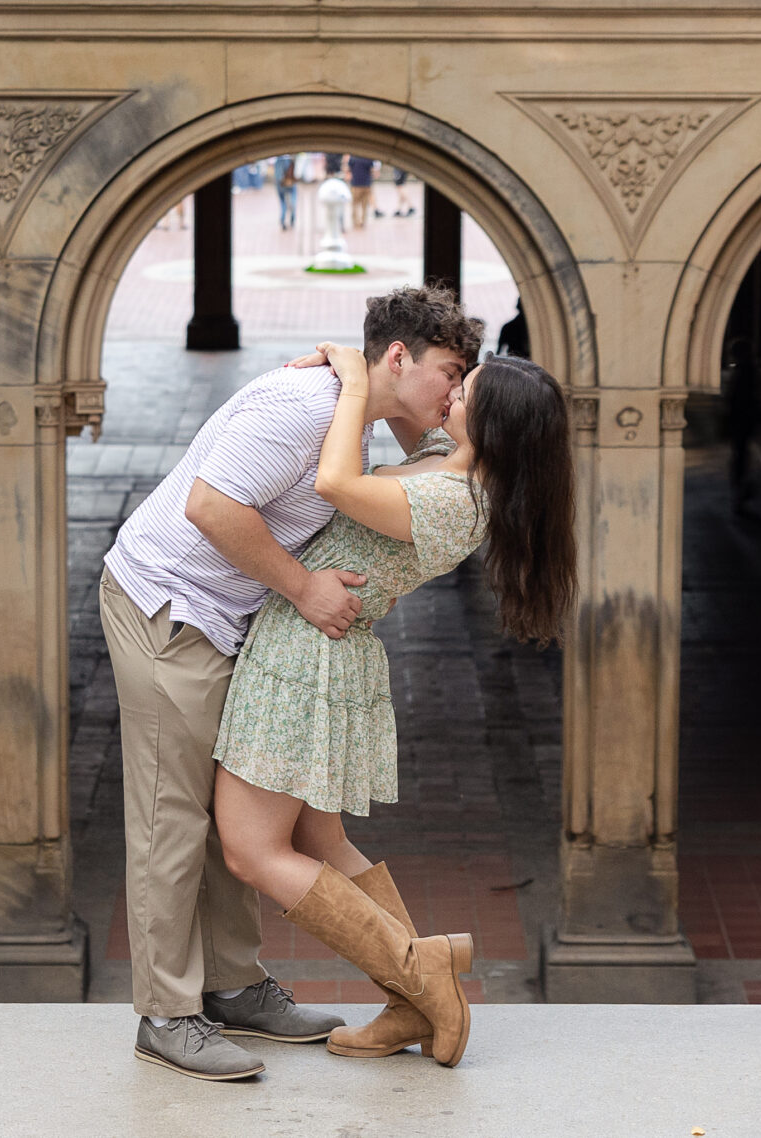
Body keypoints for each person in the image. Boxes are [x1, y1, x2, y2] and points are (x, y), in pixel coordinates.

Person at [98, 287, 481, 1082]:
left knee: (227, 818)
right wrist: (304, 587)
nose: (454, 391)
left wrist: (356, 371)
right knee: (174, 817)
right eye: (450, 371)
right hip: (171, 606)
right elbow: (211, 506)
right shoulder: (305, 410)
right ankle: (167, 1014)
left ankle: (233, 985)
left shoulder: (359, 411)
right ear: (400, 357)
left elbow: (435, 439)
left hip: (229, 616)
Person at [212, 341, 577, 1068]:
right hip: (317, 650)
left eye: (465, 391)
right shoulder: (450, 462)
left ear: (493, 427)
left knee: (252, 851)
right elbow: (407, 401)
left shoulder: (450, 501)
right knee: (322, 843)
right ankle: (410, 1002)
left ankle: (420, 973)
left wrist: (352, 376)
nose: (451, 395)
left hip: (305, 656)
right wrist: (380, 363)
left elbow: (334, 481)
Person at [347, 155, 375, 228]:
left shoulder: (353, 157)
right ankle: (362, 221)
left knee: (354, 204)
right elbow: (372, 170)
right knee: (364, 205)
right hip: (366, 184)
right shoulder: (369, 157)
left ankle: (356, 222)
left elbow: (349, 169)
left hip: (355, 184)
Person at [275, 153, 299, 230]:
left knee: (283, 202)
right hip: (289, 182)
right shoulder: (289, 157)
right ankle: (292, 217)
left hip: (280, 184)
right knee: (292, 199)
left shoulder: (278, 159)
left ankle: (283, 220)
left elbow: (277, 175)